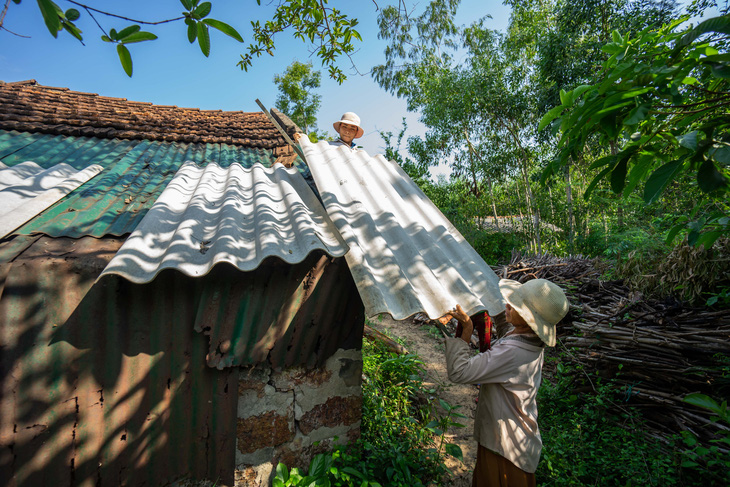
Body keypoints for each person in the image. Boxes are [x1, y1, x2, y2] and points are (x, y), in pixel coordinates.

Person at [445, 278, 569, 487]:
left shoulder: (512, 353)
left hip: (505, 448)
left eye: (516, 304)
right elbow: (504, 325)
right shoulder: (529, 339)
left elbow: (459, 371)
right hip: (514, 441)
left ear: (529, 319)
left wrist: (467, 328)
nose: (508, 304)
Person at [292, 112, 364, 150]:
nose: (347, 131)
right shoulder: (328, 146)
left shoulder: (358, 153)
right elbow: (310, 151)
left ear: (356, 132)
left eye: (352, 129)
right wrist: (300, 141)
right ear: (339, 128)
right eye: (344, 127)